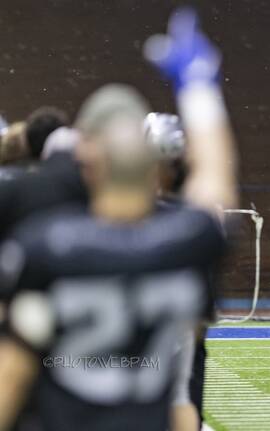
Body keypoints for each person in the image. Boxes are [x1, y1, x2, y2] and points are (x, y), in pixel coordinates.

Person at [0, 8, 236, 431]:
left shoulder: (47, 244)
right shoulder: (186, 241)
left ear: (88, 164)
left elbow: (11, 377)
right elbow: (216, 182)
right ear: (155, 168)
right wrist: (199, 86)